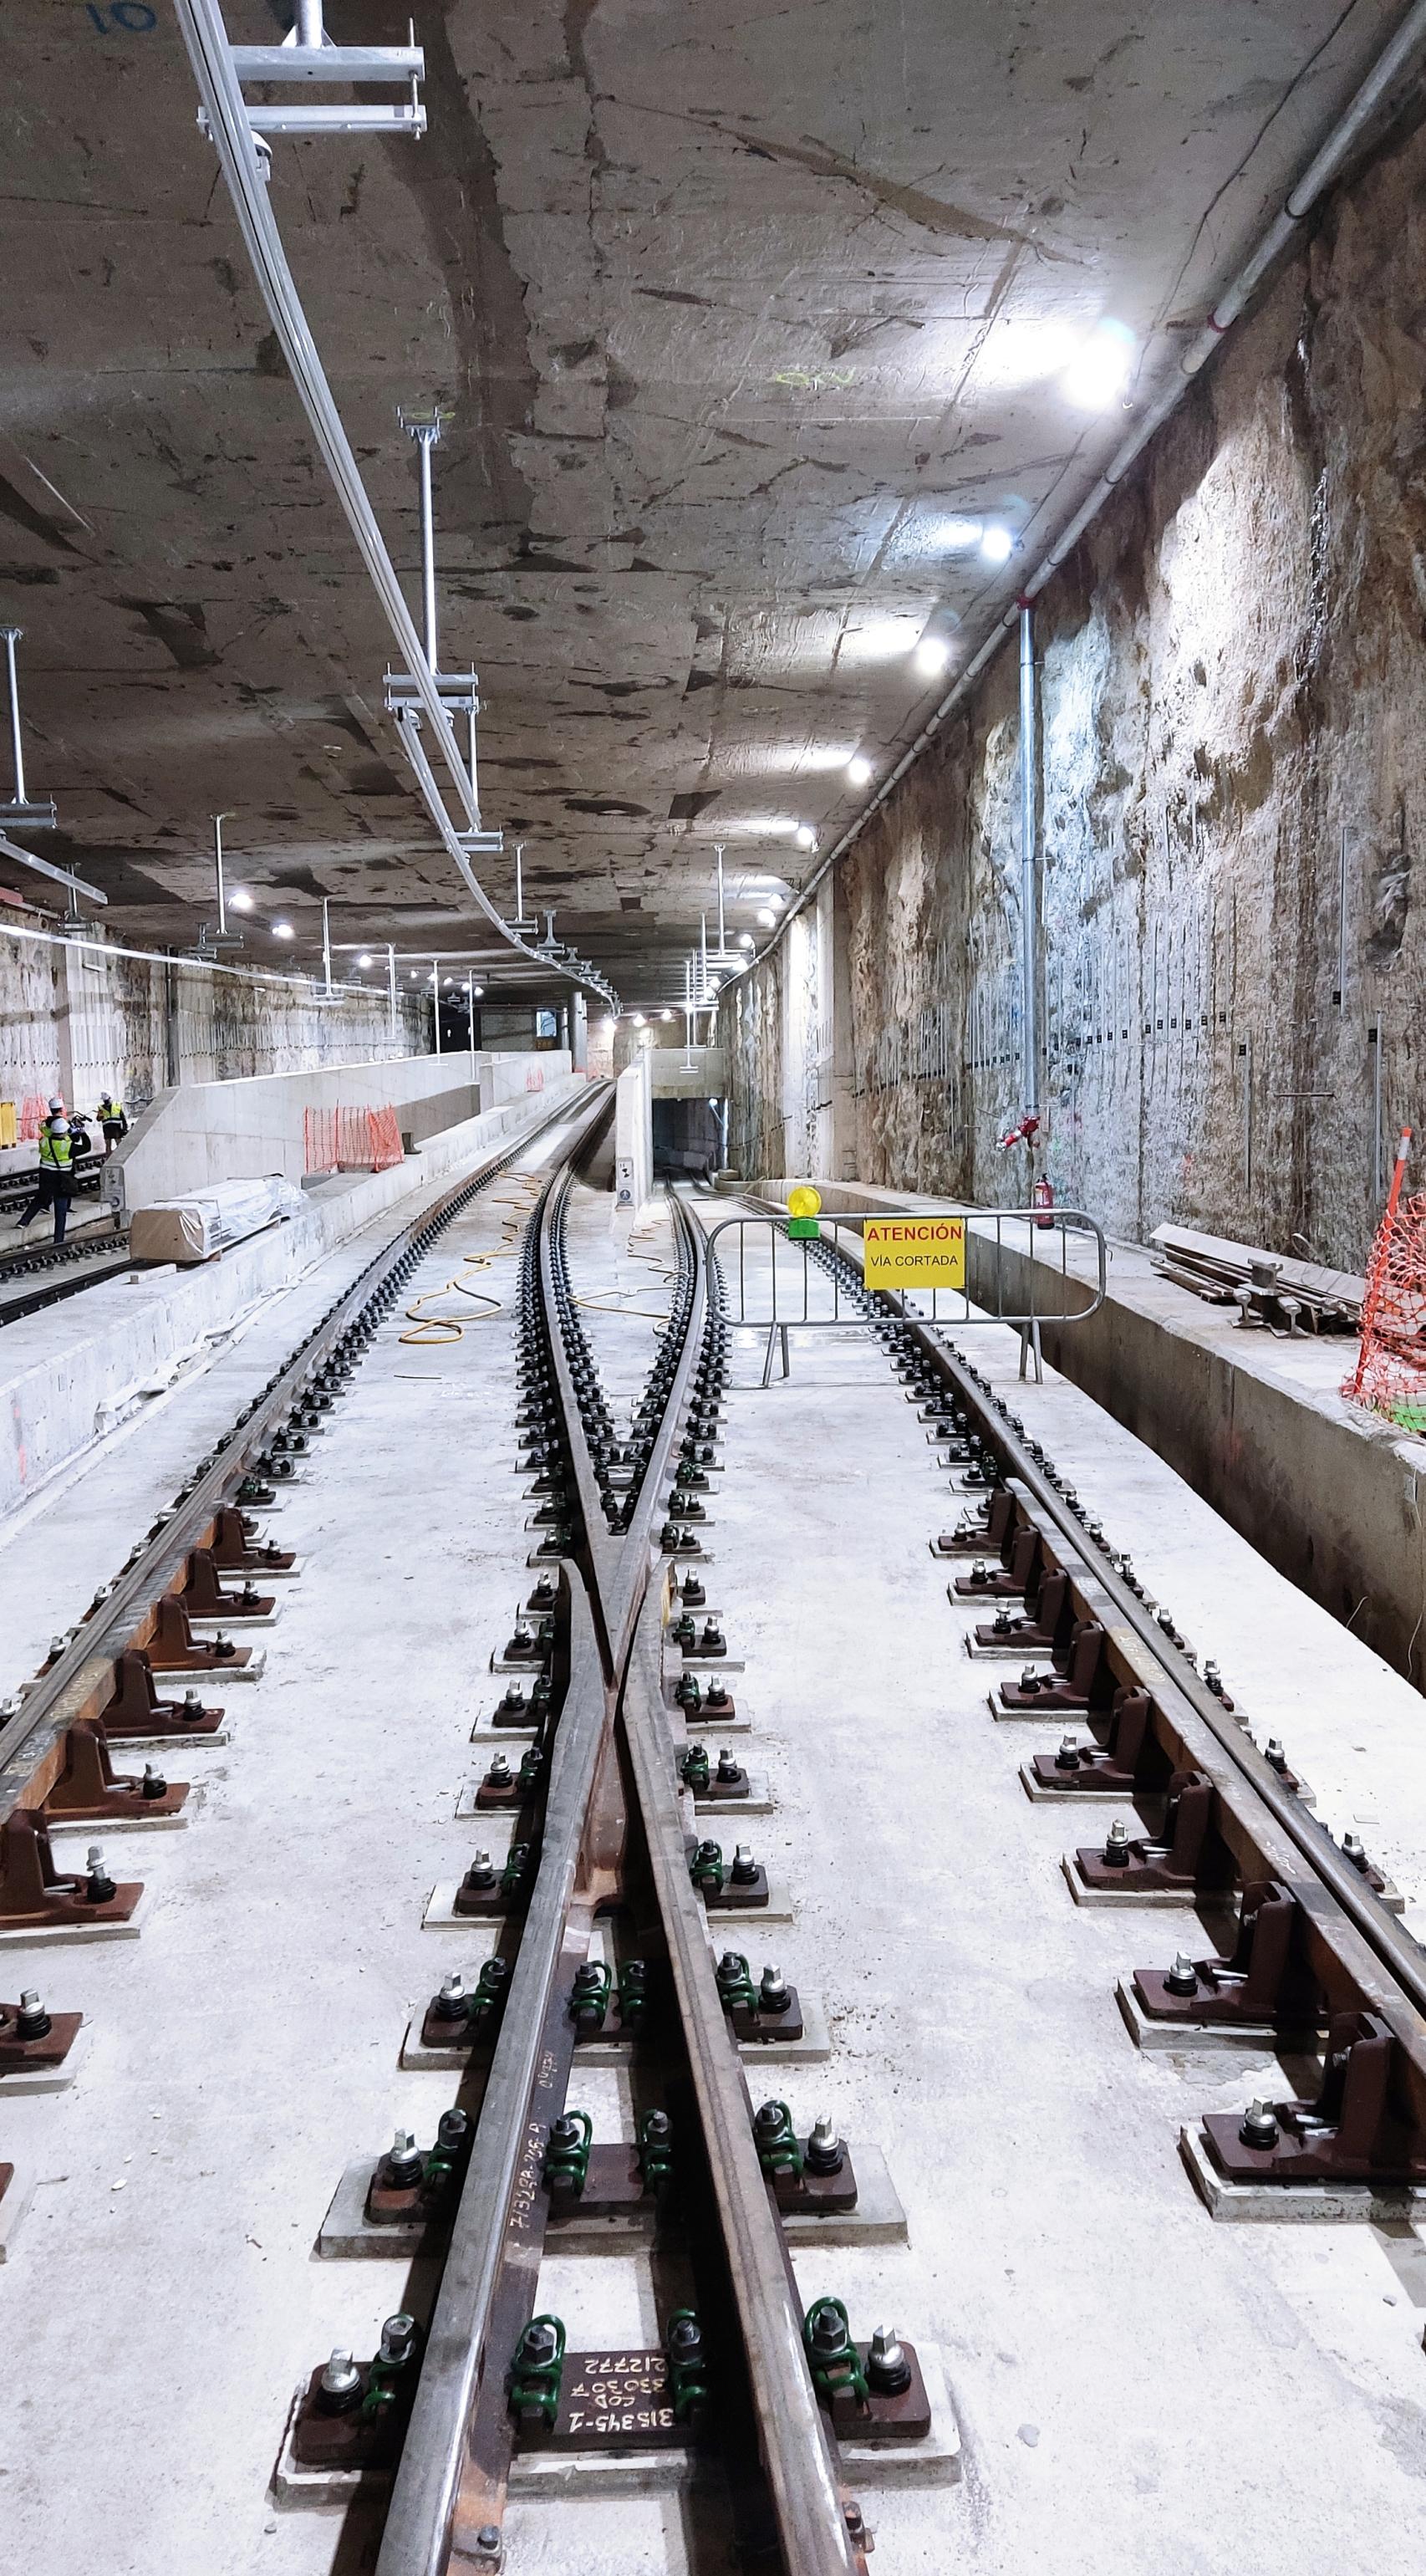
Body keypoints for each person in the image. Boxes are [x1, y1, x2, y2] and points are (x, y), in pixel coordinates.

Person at [18, 1105, 74, 1244]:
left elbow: (46, 1132)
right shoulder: (67, 1145)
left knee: (40, 1198)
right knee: (61, 1212)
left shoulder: (45, 1140)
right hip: (62, 1179)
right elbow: (85, 1147)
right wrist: (80, 1133)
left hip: (46, 1177)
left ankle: (24, 1221)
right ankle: (58, 1241)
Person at [96, 1090, 128, 1155]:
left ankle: (121, 1156)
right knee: (108, 1145)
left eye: (106, 1100)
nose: (105, 1102)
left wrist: (125, 1127)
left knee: (118, 1143)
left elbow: (122, 1117)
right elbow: (98, 1119)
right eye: (105, 1101)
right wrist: (100, 1116)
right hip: (107, 1129)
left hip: (116, 1128)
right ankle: (109, 1159)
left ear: (110, 1098)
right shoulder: (101, 1108)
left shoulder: (117, 1105)